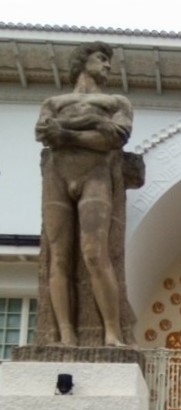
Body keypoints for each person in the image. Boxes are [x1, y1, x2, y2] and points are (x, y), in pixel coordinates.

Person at [35, 42, 134, 346]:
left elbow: (115, 137)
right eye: (101, 59)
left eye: (109, 61)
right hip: (57, 175)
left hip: (95, 175)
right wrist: (92, 123)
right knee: (59, 256)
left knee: (94, 253)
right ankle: (65, 333)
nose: (107, 66)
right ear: (82, 61)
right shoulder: (54, 101)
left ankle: (112, 332)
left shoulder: (117, 101)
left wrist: (66, 134)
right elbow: (43, 132)